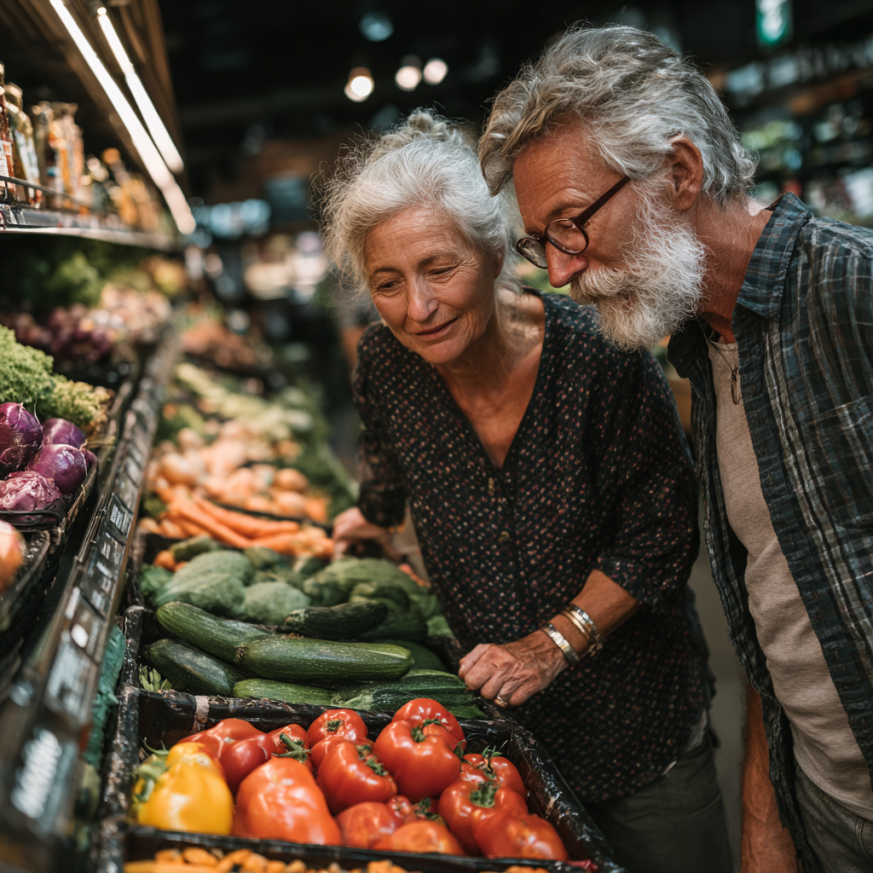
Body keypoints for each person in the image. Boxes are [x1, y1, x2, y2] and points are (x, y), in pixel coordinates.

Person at [480, 24, 873, 873]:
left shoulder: (853, 290)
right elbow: (775, 608)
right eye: (538, 240)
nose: (556, 270)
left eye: (569, 224)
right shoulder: (701, 346)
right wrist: (767, 816)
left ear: (681, 173)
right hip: (830, 809)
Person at [323, 109, 730, 873]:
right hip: (488, 748)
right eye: (387, 282)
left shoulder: (599, 357)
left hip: (635, 731)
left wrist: (551, 643)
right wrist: (367, 519)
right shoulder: (385, 363)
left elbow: (661, 533)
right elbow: (383, 461)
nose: (418, 307)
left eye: (438, 268)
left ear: (493, 252)